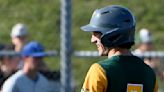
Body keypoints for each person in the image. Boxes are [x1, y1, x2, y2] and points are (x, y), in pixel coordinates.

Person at [80, 5, 158, 92]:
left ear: (111, 35)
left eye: (96, 33)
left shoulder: (100, 71)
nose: (93, 40)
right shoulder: (149, 73)